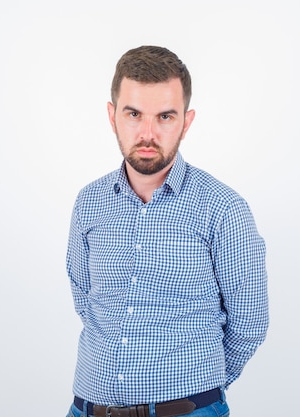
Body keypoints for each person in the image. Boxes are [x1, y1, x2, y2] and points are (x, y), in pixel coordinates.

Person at [66, 45, 268, 417]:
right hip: (88, 408)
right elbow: (87, 301)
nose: (147, 132)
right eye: (133, 114)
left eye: (165, 116)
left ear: (186, 122)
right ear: (112, 116)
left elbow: (249, 324)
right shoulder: (88, 203)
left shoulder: (223, 210)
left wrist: (197, 387)